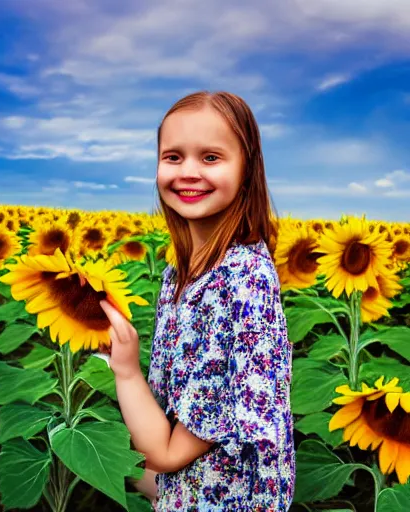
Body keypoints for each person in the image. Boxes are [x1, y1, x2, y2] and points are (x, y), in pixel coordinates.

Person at [99, 90, 295, 511]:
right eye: (173, 157)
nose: (188, 171)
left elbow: (165, 455)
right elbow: (169, 439)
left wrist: (127, 372)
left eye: (210, 157)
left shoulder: (241, 283)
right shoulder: (180, 274)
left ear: (247, 170)